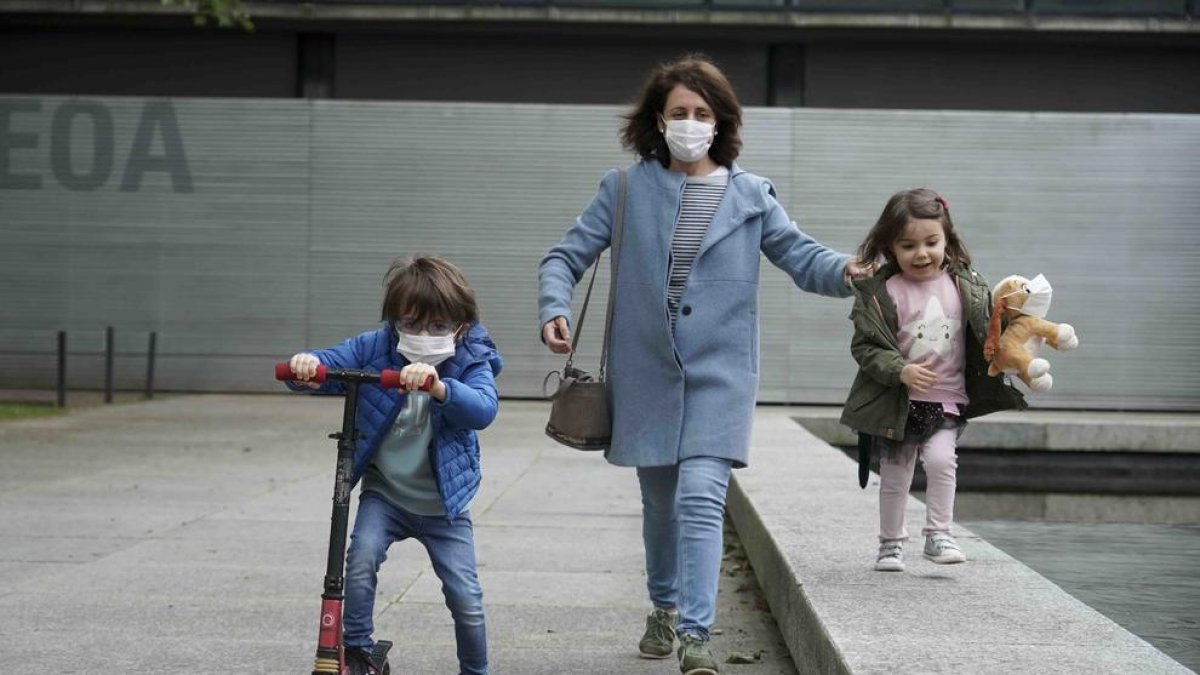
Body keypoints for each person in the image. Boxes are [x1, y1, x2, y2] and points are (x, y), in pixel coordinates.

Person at [537, 55, 868, 675]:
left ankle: (696, 633)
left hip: (722, 375)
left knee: (699, 497)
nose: (690, 123)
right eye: (678, 113)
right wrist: (553, 306)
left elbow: (802, 257)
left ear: (721, 123)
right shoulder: (625, 189)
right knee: (660, 504)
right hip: (646, 374)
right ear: (657, 123)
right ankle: (663, 607)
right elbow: (563, 257)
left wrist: (849, 270)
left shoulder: (750, 194)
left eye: (701, 114)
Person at [285, 255, 501, 675]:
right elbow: (328, 365)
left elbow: (483, 409)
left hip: (443, 505)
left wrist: (442, 388)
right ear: (393, 321)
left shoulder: (471, 355)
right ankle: (360, 652)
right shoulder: (376, 347)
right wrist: (304, 368)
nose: (423, 336)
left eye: (438, 327)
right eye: (410, 323)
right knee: (360, 562)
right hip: (386, 494)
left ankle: (476, 670)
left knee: (465, 598)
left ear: (461, 325)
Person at [839, 188, 1025, 573]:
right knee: (895, 473)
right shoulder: (882, 292)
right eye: (908, 246)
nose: (921, 253)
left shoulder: (965, 285)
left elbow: (990, 329)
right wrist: (899, 369)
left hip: (947, 397)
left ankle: (939, 533)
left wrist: (1019, 322)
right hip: (899, 401)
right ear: (890, 247)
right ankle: (890, 544)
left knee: (942, 461)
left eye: (931, 242)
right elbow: (866, 348)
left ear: (948, 240)